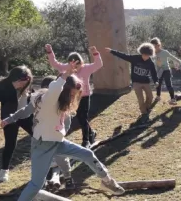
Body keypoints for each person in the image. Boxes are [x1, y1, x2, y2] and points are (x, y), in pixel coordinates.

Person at [16, 64, 125, 201]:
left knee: (87, 154)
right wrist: (65, 75)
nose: (73, 98)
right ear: (63, 91)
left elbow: (63, 124)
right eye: (71, 94)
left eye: (75, 95)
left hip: (57, 142)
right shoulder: (48, 100)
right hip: (42, 145)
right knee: (35, 185)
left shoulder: (62, 103)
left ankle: (107, 181)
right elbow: (53, 89)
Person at [0, 75, 76, 190]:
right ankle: (39, 181)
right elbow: (24, 111)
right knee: (38, 160)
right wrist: (9, 119)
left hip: (56, 137)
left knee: (61, 158)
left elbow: (67, 122)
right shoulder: (39, 99)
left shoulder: (61, 104)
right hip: (39, 138)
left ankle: (67, 176)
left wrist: (61, 133)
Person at [45, 44, 103, 148]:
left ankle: (86, 140)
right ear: (69, 63)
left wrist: (95, 53)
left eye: (78, 65)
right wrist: (50, 52)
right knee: (80, 117)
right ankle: (91, 133)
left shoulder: (87, 68)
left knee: (83, 117)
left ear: (81, 62)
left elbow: (98, 64)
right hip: (71, 97)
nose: (76, 68)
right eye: (73, 65)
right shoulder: (66, 68)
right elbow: (54, 63)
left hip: (84, 96)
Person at [0, 66, 33, 182]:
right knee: (10, 143)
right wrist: (13, 88)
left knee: (38, 135)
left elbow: (32, 98)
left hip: (25, 116)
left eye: (26, 82)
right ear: (15, 78)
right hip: (10, 117)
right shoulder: (4, 84)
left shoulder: (27, 84)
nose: (23, 85)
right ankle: (4, 171)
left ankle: (52, 160)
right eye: (21, 82)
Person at [105, 43, 158, 122]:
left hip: (146, 82)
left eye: (147, 55)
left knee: (150, 97)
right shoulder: (135, 58)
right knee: (140, 99)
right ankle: (144, 113)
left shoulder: (150, 63)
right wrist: (112, 51)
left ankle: (146, 108)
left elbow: (154, 73)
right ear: (141, 53)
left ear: (150, 55)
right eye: (144, 55)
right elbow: (123, 56)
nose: (145, 57)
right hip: (136, 82)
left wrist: (156, 81)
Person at [150, 37, 181, 105]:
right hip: (158, 71)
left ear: (158, 45)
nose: (154, 48)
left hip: (166, 70)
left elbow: (173, 57)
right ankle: (158, 97)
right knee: (158, 84)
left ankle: (173, 99)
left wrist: (178, 62)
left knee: (169, 84)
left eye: (155, 47)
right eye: (152, 47)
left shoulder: (165, 52)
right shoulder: (153, 54)